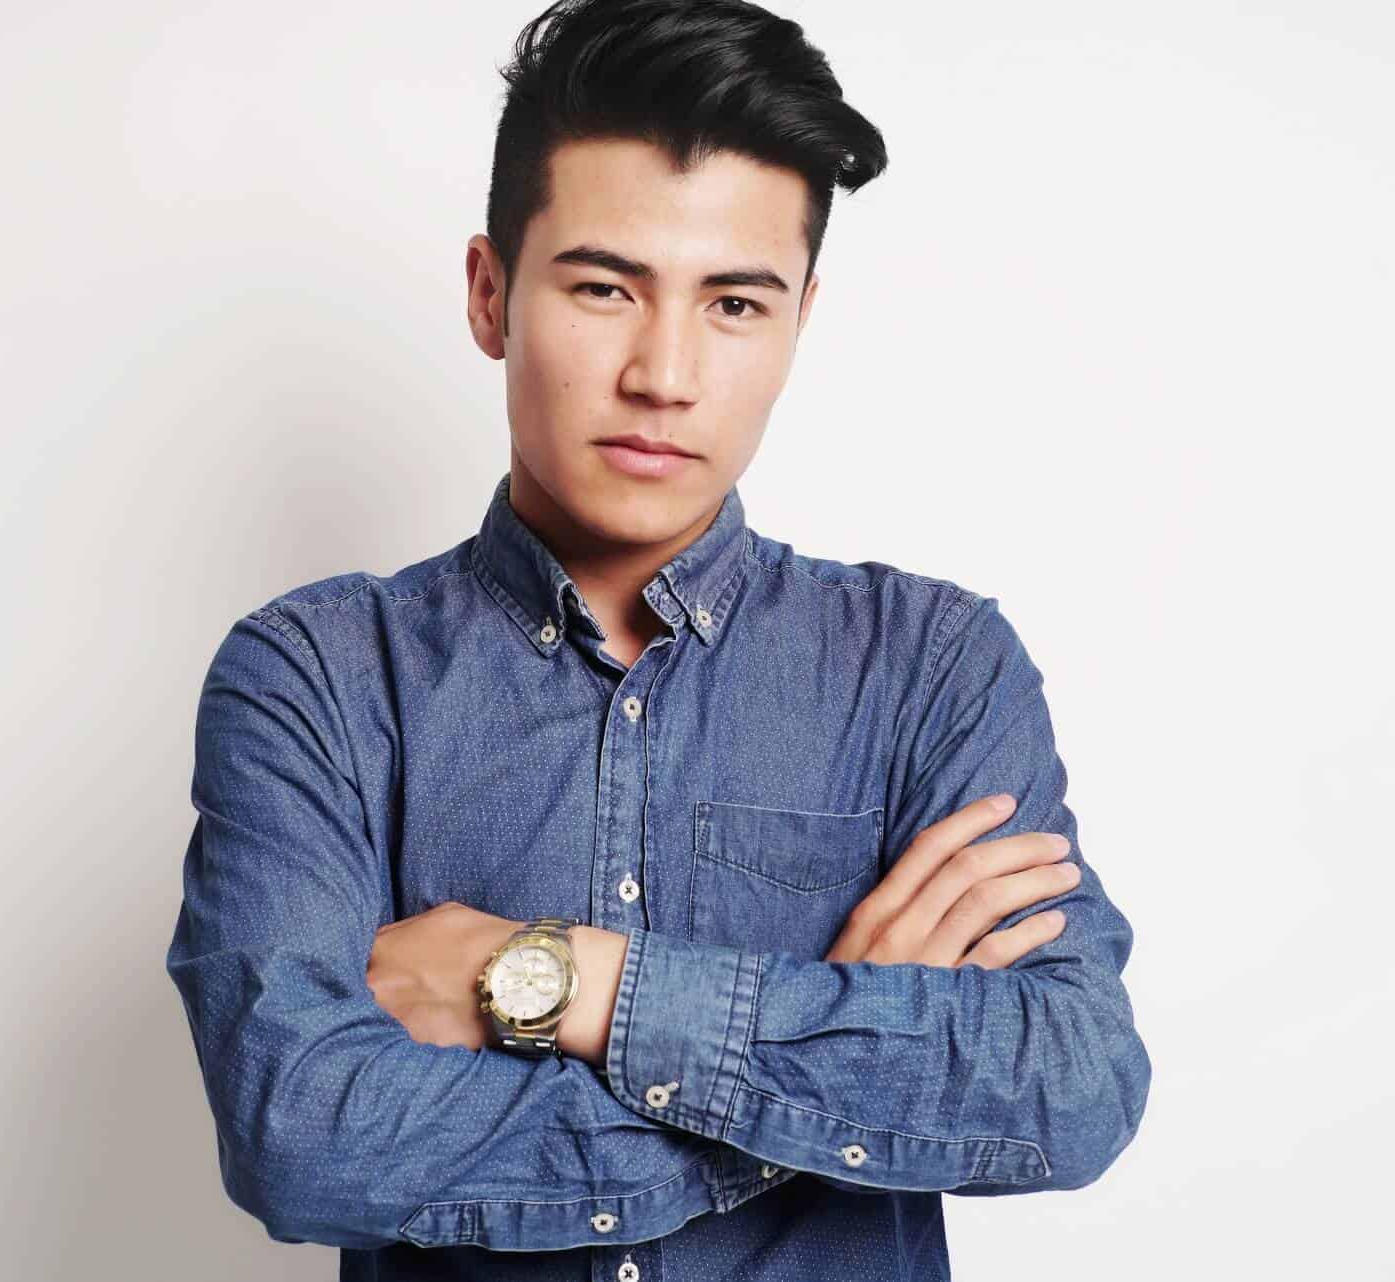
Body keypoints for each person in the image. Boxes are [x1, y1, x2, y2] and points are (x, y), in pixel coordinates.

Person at [164, 1, 1151, 1277]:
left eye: (734, 303)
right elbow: (305, 1138)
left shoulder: (933, 667)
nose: (665, 373)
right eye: (603, 287)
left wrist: (557, 982)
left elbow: (1070, 1083)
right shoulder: (318, 676)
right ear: (490, 294)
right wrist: (831, 1062)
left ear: (800, 320)